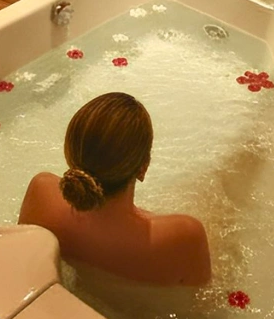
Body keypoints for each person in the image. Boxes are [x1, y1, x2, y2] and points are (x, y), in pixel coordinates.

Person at [18, 92, 212, 287]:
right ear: (143, 168)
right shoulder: (183, 238)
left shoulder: (41, 193)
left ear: (69, 154)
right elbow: (203, 301)